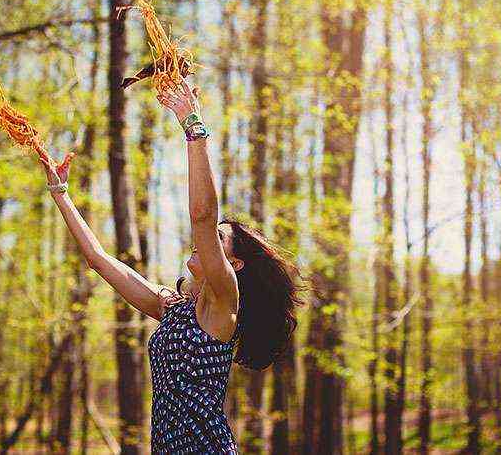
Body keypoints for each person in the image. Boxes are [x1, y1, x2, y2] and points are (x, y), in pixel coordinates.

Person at [39, 77, 307, 454]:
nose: (205, 239)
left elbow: (201, 214)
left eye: (218, 238)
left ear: (234, 263)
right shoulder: (174, 310)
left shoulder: (223, 305)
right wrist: (60, 193)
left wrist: (193, 127)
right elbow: (98, 260)